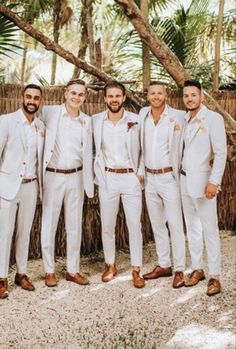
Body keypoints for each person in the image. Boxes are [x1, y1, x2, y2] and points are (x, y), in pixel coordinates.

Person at [41, 79, 94, 287]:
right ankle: (49, 270)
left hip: (77, 176)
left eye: (80, 94)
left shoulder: (87, 121)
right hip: (53, 175)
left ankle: (73, 270)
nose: (76, 97)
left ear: (85, 97)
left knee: (74, 225)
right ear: (65, 93)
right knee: (49, 223)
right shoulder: (49, 113)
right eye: (73, 93)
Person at [92, 81, 145, 288]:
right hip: (108, 178)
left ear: (124, 98)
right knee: (107, 224)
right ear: (105, 98)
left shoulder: (136, 120)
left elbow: (144, 148)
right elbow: (91, 150)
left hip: (131, 178)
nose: (114, 100)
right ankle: (110, 264)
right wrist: (98, 174)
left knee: (134, 224)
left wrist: (140, 172)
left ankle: (136, 269)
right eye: (110, 96)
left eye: (118, 96)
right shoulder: (96, 121)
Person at [180, 79, 227, 296]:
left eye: (193, 95)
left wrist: (214, 181)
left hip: (204, 182)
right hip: (183, 180)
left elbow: (220, 153)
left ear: (201, 96)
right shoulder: (183, 119)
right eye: (186, 95)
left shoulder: (213, 119)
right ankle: (197, 268)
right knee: (192, 228)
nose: (189, 99)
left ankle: (214, 275)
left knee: (210, 229)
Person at [139, 82, 186, 288]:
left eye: (160, 93)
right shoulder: (142, 115)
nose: (156, 96)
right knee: (157, 224)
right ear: (147, 96)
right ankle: (164, 264)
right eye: (152, 93)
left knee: (175, 224)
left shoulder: (178, 117)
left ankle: (180, 269)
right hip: (149, 179)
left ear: (166, 95)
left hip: (169, 178)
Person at [0, 84, 44, 299]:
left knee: (24, 232)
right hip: (7, 186)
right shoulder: (6, 121)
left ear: (40, 101)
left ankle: (22, 273)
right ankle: (1, 278)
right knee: (4, 233)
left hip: (31, 186)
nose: (32, 101)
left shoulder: (41, 126)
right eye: (29, 96)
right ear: (22, 97)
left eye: (36, 98)